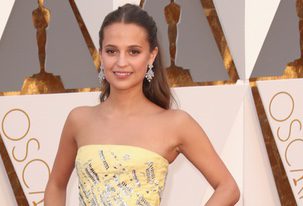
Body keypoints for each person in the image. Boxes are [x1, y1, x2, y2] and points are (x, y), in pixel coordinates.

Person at [44, 4, 239, 205]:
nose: (121, 62)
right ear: (101, 54)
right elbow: (56, 185)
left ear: (151, 56)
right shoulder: (79, 119)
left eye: (133, 52)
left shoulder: (176, 123)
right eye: (112, 51)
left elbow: (228, 188)